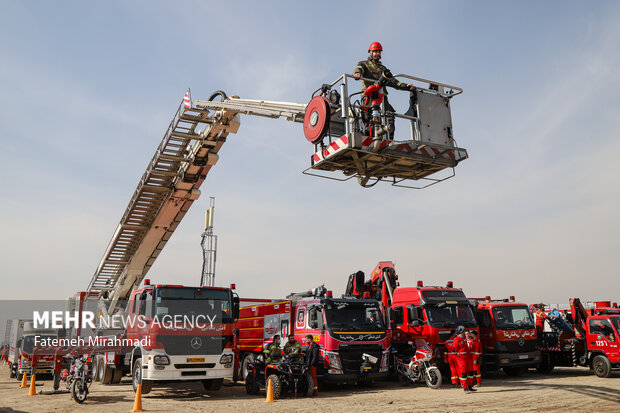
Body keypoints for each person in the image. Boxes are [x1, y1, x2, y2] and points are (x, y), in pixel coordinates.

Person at [353, 41, 414, 138]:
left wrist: (406, 86)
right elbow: (359, 69)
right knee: (366, 116)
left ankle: (389, 138)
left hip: (382, 97)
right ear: (370, 52)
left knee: (389, 114)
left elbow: (394, 82)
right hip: (368, 94)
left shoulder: (383, 69)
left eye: (379, 52)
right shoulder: (364, 63)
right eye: (375, 51)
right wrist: (357, 73)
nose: (377, 53)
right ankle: (367, 136)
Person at [453, 326, 476, 393]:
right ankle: (465, 387)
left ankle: (470, 386)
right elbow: (454, 350)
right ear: (461, 332)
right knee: (464, 374)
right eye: (464, 331)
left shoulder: (464, 339)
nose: (466, 332)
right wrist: (459, 357)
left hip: (468, 358)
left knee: (471, 373)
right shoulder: (457, 340)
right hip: (461, 359)